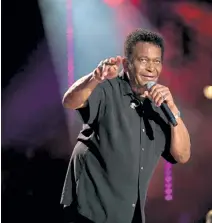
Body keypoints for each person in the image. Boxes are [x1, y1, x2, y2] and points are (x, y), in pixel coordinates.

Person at [60, 28, 191, 223]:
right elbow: (70, 101)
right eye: (143, 60)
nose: (151, 68)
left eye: (156, 61)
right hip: (88, 211)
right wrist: (96, 77)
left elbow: (182, 155)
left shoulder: (159, 108)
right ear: (127, 63)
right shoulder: (108, 88)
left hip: (127, 216)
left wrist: (172, 109)